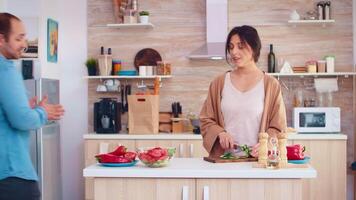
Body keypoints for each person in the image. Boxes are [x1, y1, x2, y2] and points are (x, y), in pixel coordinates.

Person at [0, 13, 65, 200]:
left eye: (25, 37)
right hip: (13, 175)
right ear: (1, 39)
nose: (24, 44)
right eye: (18, 38)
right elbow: (22, 120)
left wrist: (27, 108)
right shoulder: (5, 70)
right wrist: (42, 112)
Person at [200, 25, 286, 158]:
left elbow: (278, 127)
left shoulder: (271, 85)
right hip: (224, 161)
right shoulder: (219, 83)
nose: (234, 52)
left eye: (241, 46)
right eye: (231, 46)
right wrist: (220, 133)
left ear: (254, 48)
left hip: (258, 162)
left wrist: (267, 143)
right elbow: (206, 119)